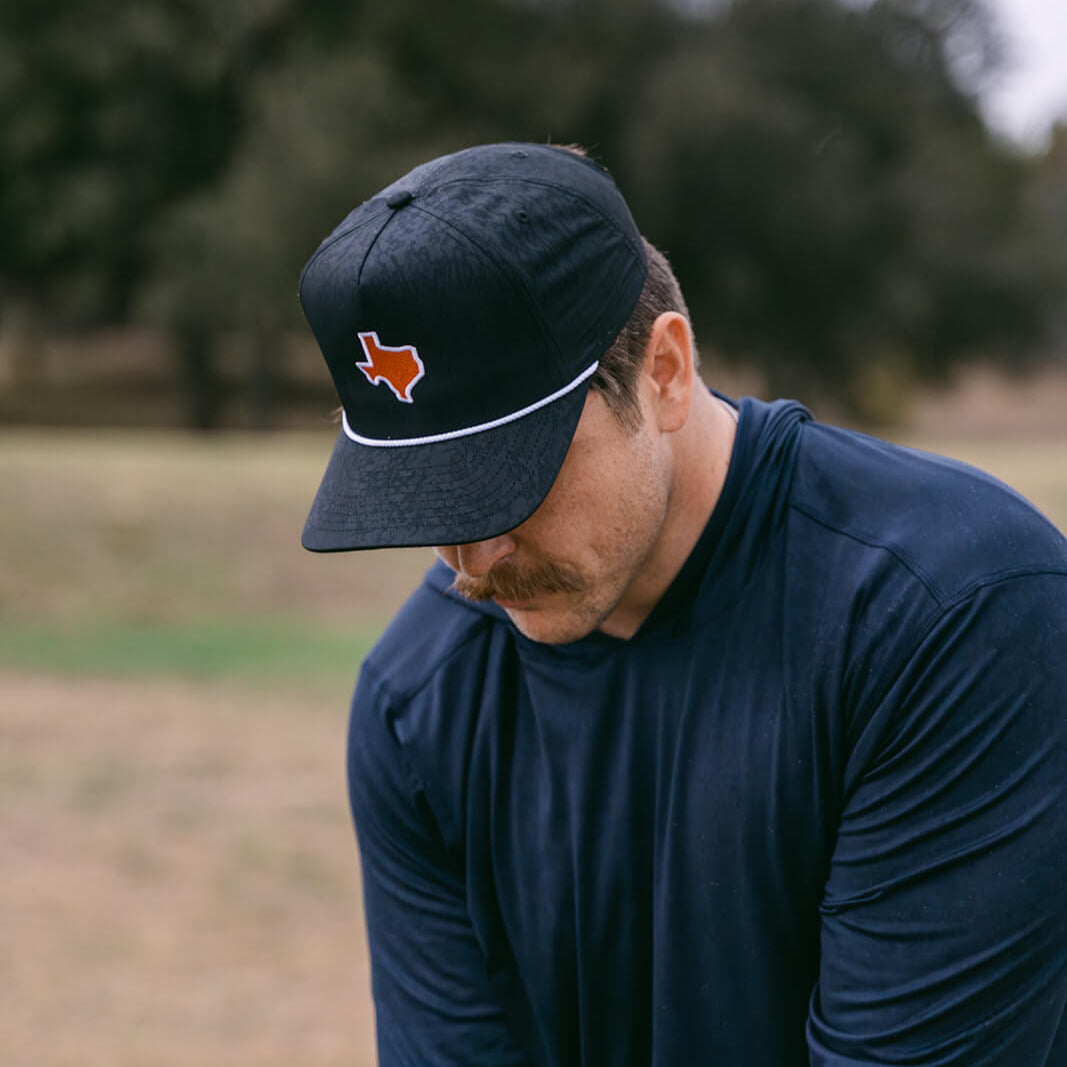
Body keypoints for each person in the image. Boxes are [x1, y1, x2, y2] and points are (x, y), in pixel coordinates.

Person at [298, 143, 1067, 1066]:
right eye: (430, 499)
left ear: (662, 369)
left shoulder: (952, 614)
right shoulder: (417, 701)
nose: (474, 558)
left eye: (511, 482)